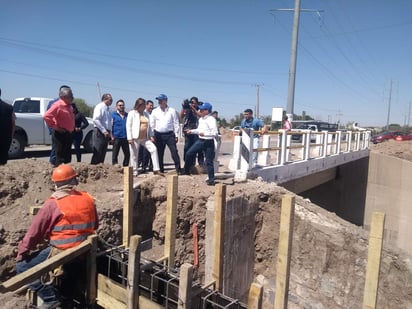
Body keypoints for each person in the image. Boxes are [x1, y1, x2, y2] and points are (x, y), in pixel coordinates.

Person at [16, 164, 98, 309]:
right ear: (74, 181)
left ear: (56, 183)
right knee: (69, 281)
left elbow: (35, 233)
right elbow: (95, 225)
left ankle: (50, 298)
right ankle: (66, 299)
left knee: (22, 268)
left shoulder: (54, 203)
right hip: (85, 251)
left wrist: (22, 251)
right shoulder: (88, 198)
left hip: (62, 251)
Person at [183, 102, 218, 185]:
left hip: (208, 142)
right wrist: (191, 131)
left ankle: (211, 180)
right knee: (189, 153)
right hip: (201, 141)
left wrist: (205, 134)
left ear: (207, 110)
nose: (200, 110)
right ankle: (186, 171)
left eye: (202, 109)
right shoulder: (201, 119)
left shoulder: (211, 120)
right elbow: (199, 130)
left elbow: (215, 133)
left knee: (209, 161)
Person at [126, 98, 163, 176]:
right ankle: (134, 171)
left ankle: (156, 169)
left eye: (144, 105)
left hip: (144, 138)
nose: (143, 107)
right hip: (135, 137)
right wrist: (129, 138)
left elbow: (149, 127)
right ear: (138, 105)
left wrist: (151, 135)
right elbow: (128, 126)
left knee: (153, 149)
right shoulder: (132, 113)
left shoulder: (146, 114)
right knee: (134, 155)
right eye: (142, 105)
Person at [150, 94, 182, 174]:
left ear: (166, 101)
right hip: (158, 135)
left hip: (169, 135)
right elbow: (152, 124)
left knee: (174, 152)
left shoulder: (172, 110)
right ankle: (161, 170)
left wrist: (177, 135)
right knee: (159, 153)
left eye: (161, 100)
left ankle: (178, 170)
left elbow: (176, 123)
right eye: (158, 100)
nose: (159, 102)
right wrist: (152, 135)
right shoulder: (155, 111)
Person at [43, 86, 75, 166]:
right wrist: (56, 127)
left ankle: (67, 174)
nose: (72, 98)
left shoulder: (69, 105)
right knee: (60, 157)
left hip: (68, 133)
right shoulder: (57, 105)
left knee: (67, 156)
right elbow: (47, 116)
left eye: (72, 95)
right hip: (60, 134)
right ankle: (59, 175)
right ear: (63, 97)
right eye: (70, 96)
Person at [180, 96, 204, 167]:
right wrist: (184, 107)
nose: (192, 104)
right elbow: (181, 116)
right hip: (188, 130)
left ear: (197, 103)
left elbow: (200, 115)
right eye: (191, 103)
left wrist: (193, 108)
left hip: (196, 131)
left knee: (196, 148)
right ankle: (187, 163)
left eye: (194, 103)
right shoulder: (187, 110)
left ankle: (196, 164)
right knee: (187, 147)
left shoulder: (199, 109)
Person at [91, 93, 113, 165]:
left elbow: (109, 123)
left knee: (103, 153)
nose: (111, 101)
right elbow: (96, 119)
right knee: (98, 152)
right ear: (105, 99)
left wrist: (110, 134)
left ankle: (100, 170)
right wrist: (104, 130)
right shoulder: (99, 107)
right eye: (110, 99)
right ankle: (93, 170)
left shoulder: (108, 110)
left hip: (107, 133)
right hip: (100, 132)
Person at [111, 99, 130, 166]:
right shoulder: (113, 115)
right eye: (120, 105)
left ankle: (125, 167)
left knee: (127, 154)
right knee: (115, 154)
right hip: (116, 137)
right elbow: (110, 126)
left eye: (123, 105)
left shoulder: (127, 115)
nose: (122, 106)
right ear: (116, 106)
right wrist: (112, 136)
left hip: (125, 137)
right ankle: (115, 167)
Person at [0, 88, 16, 165]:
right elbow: (13, 123)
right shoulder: (9, 107)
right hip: (5, 139)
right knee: (3, 163)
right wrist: (11, 136)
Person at [138, 99, 154, 172]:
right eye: (150, 105)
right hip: (145, 136)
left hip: (153, 134)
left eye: (152, 105)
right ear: (146, 105)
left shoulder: (153, 114)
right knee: (145, 152)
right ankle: (144, 167)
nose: (151, 107)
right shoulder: (143, 114)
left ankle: (151, 166)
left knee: (152, 151)